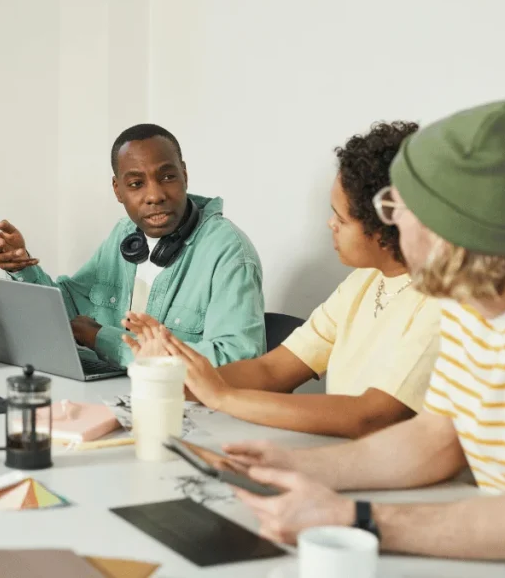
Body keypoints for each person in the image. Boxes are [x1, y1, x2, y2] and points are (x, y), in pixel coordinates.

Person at [223, 100, 505, 559]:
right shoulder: (467, 307)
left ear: (453, 229)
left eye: (396, 206)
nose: (391, 224)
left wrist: (355, 519)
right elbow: (437, 438)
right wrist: (294, 465)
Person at [125, 122, 440, 438]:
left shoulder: (442, 303)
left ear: (387, 227)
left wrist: (222, 397)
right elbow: (272, 370)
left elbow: (370, 417)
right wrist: (170, 379)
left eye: (342, 219)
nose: (330, 224)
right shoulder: (365, 281)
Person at [0, 124, 265, 368]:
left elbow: (238, 359)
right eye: (136, 183)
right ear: (118, 190)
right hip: (117, 392)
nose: (154, 195)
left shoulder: (229, 253)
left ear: (185, 175)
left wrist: (105, 341)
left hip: (189, 410)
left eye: (167, 177)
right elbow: (68, 309)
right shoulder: (125, 234)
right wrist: (22, 268)